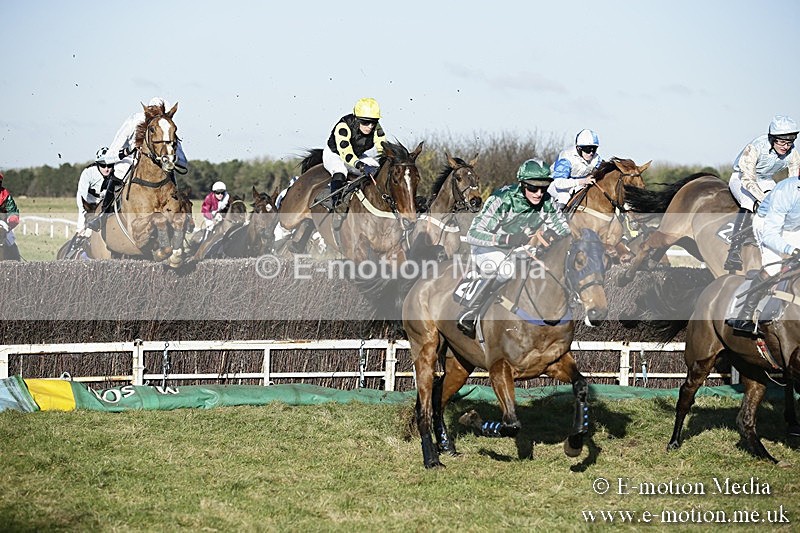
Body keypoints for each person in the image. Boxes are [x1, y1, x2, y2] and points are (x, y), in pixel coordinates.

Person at [458, 159, 571, 337]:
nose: (539, 193)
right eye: (533, 188)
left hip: (520, 250)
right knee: (505, 270)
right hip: (488, 248)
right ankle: (470, 311)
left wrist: (553, 235)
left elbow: (564, 230)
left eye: (543, 188)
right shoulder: (502, 199)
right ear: (522, 184)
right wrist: (506, 238)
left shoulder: (548, 202)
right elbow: (474, 234)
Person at [725, 115, 800, 271]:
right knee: (749, 202)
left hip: (765, 179)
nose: (786, 146)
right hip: (741, 177)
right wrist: (764, 199)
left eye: (790, 142)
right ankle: (734, 250)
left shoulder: (793, 153)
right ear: (772, 138)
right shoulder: (756, 147)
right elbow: (748, 179)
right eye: (782, 142)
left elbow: (793, 182)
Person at [727, 174, 800, 334]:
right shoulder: (786, 191)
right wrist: (792, 250)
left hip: (794, 227)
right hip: (767, 225)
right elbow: (770, 235)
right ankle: (743, 316)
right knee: (773, 269)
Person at [323, 97, 387, 212]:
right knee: (340, 170)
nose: (370, 126)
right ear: (356, 119)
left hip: (357, 155)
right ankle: (336, 205)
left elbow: (383, 147)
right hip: (335, 155)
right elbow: (346, 154)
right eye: (365, 122)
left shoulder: (376, 127)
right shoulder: (343, 127)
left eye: (373, 122)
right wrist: (362, 166)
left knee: (378, 169)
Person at [547, 129, 601, 208]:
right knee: (564, 197)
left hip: (578, 186)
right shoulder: (566, 157)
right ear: (579, 148)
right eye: (588, 149)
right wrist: (582, 181)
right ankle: (559, 219)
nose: (591, 153)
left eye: (594, 149)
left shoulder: (596, 159)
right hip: (556, 187)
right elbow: (558, 183)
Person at [77, 147, 114, 236]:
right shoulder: (88, 172)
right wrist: (86, 212)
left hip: (104, 201)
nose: (106, 169)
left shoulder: (116, 172)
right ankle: (78, 240)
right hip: (88, 201)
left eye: (109, 165)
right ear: (97, 164)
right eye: (102, 165)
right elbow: (82, 195)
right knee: (84, 230)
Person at [0, 171, 21, 248]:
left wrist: (13, 218)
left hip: (3, 225)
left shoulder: (6, 196)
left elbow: (12, 211)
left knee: (11, 243)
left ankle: (15, 258)